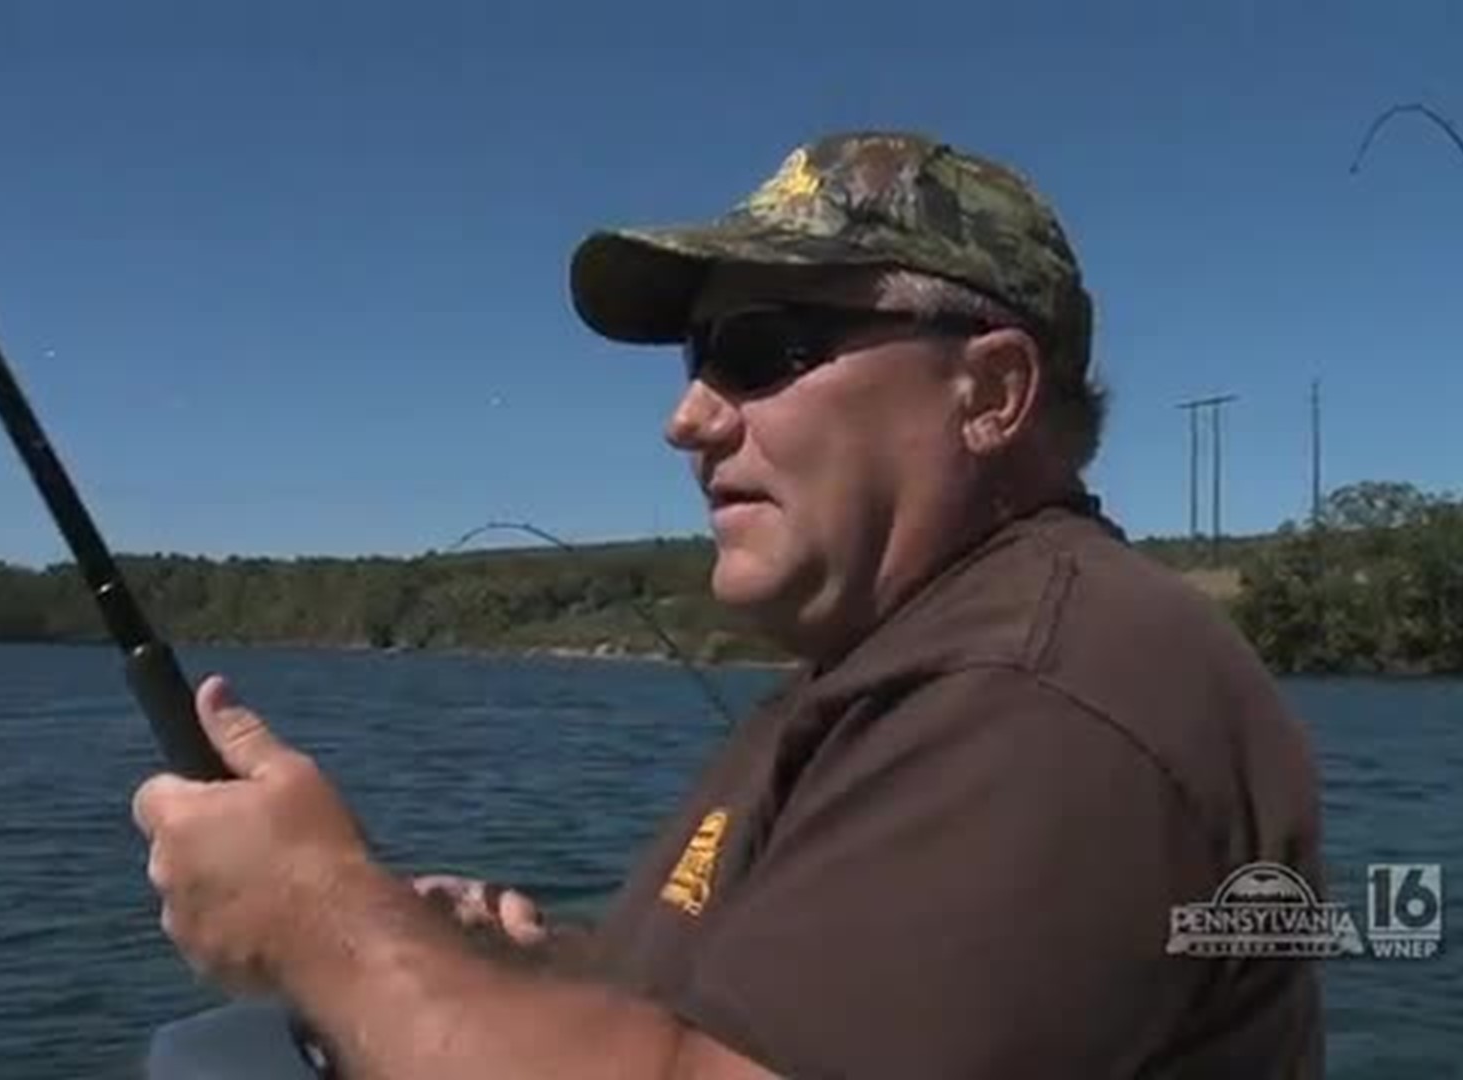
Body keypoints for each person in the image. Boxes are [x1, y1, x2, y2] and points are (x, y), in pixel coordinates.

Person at [133, 130, 1328, 1078]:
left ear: (992, 389)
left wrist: (320, 922)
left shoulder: (1041, 701)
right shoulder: (895, 670)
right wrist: (535, 969)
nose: (690, 418)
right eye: (692, 361)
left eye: (760, 350)